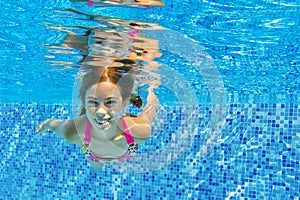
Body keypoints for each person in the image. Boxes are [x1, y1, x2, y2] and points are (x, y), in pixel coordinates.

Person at [36, 63, 160, 170]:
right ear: (84, 102)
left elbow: (148, 114)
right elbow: (55, 125)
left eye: (110, 102)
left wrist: (152, 99)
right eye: (93, 102)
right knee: (97, 167)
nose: (100, 111)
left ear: (124, 104)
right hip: (93, 156)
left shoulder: (138, 131)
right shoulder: (74, 132)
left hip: (125, 152)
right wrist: (46, 123)